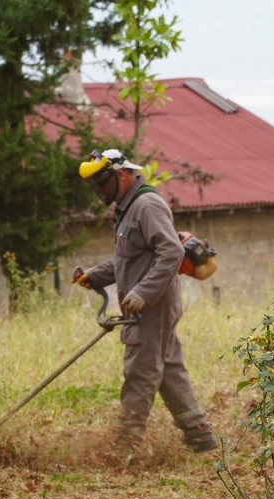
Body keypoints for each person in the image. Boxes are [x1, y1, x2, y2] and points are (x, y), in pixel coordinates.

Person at [77, 148, 217, 456]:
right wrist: (94, 277)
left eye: (102, 183)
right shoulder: (128, 209)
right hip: (148, 305)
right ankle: (199, 434)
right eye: (95, 186)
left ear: (121, 175)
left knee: (141, 370)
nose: (99, 191)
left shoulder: (146, 205)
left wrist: (143, 293)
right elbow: (127, 261)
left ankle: (126, 444)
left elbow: (172, 253)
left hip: (152, 307)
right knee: (167, 368)